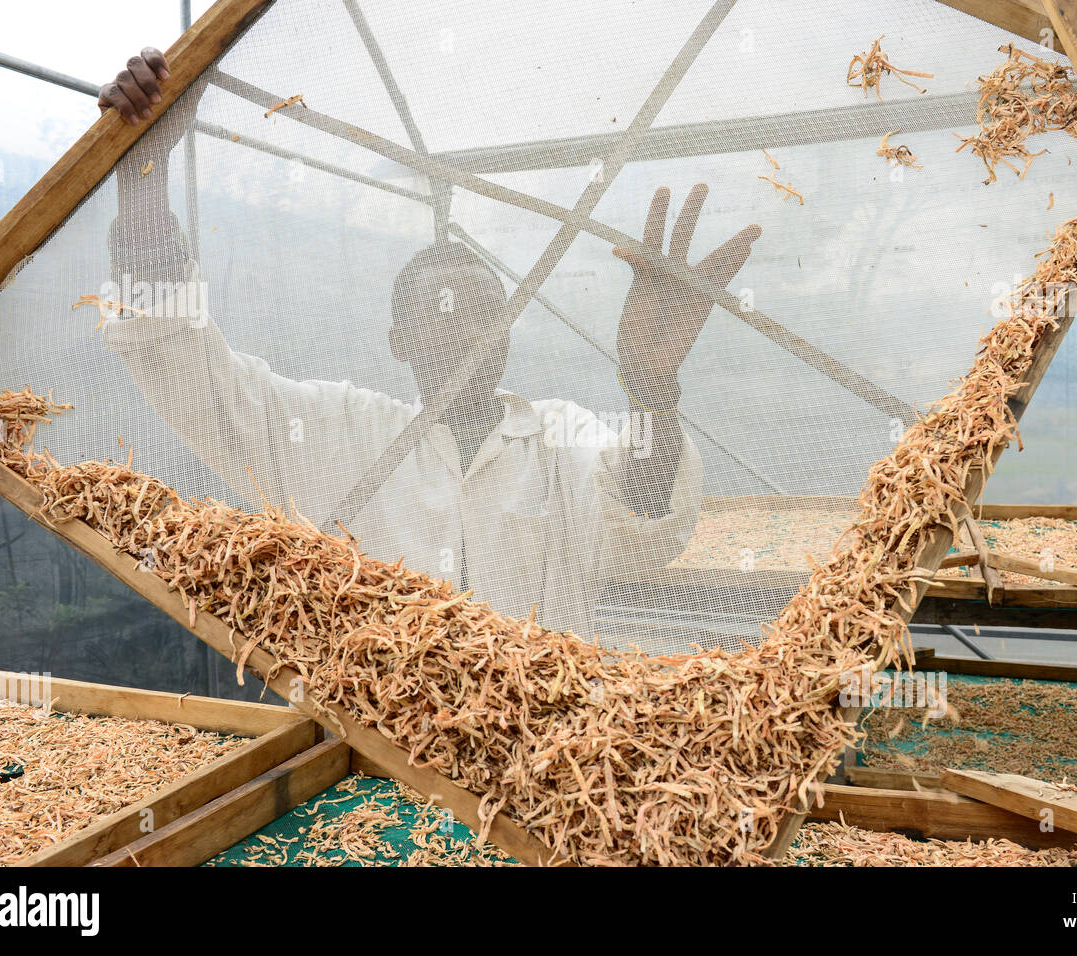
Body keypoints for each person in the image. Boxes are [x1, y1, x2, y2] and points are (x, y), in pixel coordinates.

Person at [97, 48, 761, 639]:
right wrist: (143, 178)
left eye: (487, 313)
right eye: (443, 314)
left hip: (542, 754)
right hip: (384, 760)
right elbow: (190, 371)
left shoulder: (559, 438)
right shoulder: (342, 433)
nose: (471, 331)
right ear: (399, 341)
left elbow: (642, 516)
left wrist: (649, 386)